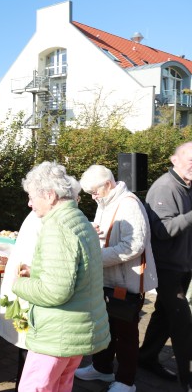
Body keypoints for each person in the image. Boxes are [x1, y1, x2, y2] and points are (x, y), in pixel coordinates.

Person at [12, 161, 110, 392]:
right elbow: (75, 272)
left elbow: (55, 291)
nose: (29, 203)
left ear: (50, 195)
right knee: (60, 385)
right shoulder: (79, 221)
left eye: (31, 196)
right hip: (73, 330)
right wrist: (36, 270)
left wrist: (20, 284)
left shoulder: (58, 227)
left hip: (57, 334)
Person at [75, 165, 158, 392]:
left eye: (94, 192)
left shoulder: (129, 204)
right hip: (107, 279)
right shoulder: (106, 201)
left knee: (126, 333)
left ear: (107, 184)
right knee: (105, 327)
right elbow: (109, 234)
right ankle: (102, 368)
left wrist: (96, 256)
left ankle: (126, 381)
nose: (92, 197)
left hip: (126, 282)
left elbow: (133, 246)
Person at [0, 177, 82, 385]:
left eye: (32, 197)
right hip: (33, 293)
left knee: (34, 357)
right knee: (30, 352)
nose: (29, 203)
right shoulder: (43, 219)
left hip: (38, 297)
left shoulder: (54, 220)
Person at [139, 142, 192, 391]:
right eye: (189, 159)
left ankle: (146, 358)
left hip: (183, 264)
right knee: (182, 320)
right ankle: (186, 379)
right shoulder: (165, 188)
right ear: (174, 160)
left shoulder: (186, 185)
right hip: (167, 267)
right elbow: (162, 230)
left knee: (163, 315)